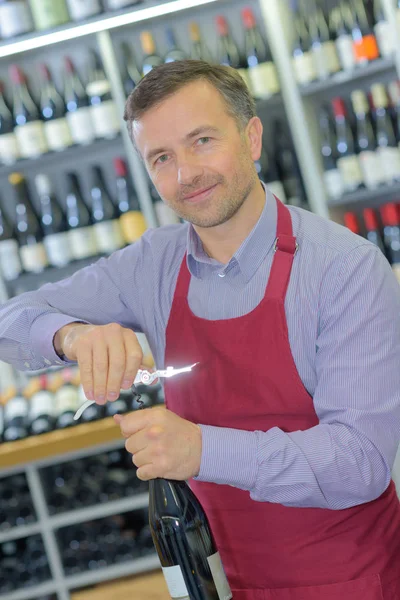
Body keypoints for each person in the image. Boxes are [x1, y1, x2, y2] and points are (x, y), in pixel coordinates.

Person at [1, 60, 400, 598]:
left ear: (252, 136)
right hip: (214, 582)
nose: (185, 174)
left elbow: (361, 463)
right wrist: (71, 335)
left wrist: (202, 450)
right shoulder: (152, 265)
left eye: (202, 140)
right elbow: (11, 321)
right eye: (161, 157)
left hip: (348, 579)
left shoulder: (344, 269)